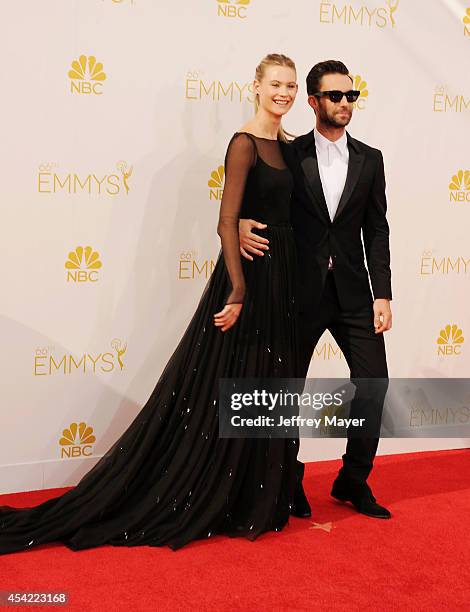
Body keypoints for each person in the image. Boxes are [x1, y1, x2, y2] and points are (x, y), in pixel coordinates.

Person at [0, 54, 308, 555]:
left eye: (291, 85)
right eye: (276, 84)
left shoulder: (290, 146)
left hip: (286, 280)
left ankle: (258, 497)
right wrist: (237, 288)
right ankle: (220, 493)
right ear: (255, 86)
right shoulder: (243, 144)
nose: (285, 93)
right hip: (250, 279)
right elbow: (227, 219)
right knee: (230, 384)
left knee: (270, 386)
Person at [240, 60, 393, 520]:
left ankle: (353, 479)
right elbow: (260, 195)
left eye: (351, 96)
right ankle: (290, 477)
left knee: (375, 383)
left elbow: (377, 230)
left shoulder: (371, 158)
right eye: (335, 96)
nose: (345, 103)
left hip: (353, 293)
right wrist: (243, 220)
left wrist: (382, 294)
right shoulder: (289, 153)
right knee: (287, 391)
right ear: (313, 101)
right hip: (296, 291)